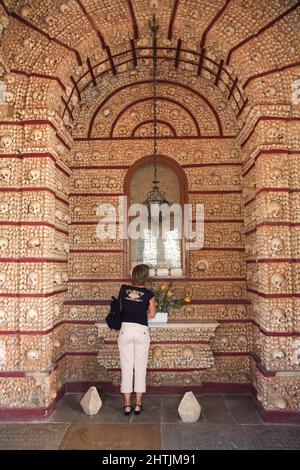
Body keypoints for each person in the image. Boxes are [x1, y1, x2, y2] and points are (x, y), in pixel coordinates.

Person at [117, 264, 156, 415]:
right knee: (140, 368)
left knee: (126, 368)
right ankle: (138, 404)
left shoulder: (124, 290)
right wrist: (142, 314)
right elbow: (152, 314)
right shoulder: (149, 294)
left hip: (125, 330)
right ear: (146, 277)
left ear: (133, 276)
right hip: (141, 332)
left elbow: (121, 309)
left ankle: (127, 405)